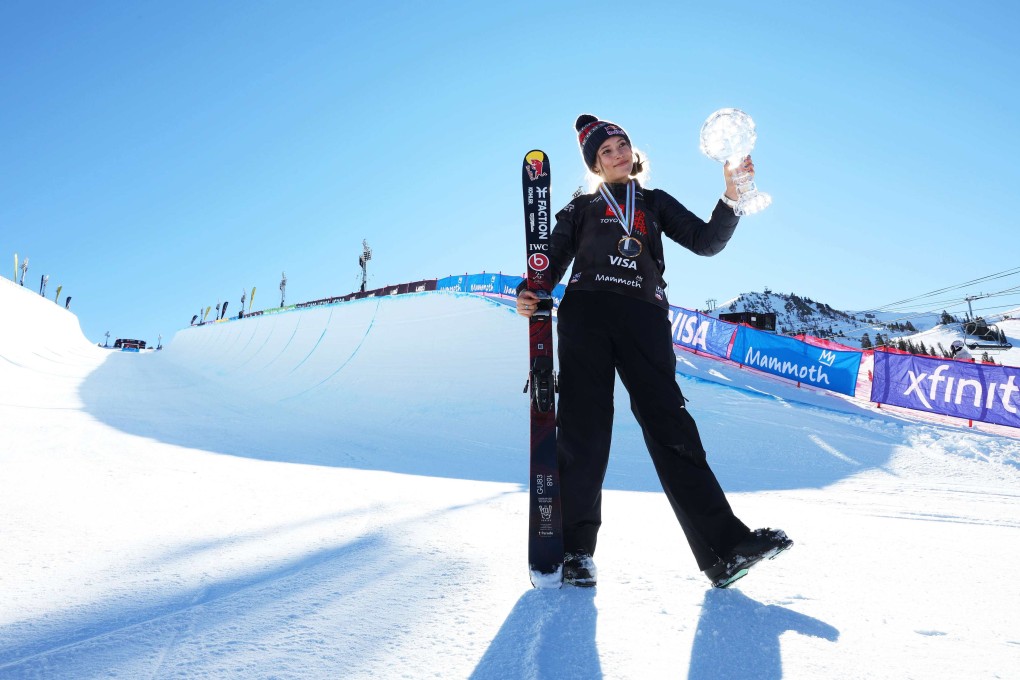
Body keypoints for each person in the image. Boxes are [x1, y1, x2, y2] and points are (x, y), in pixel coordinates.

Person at [517, 114, 792, 589]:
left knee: (672, 426)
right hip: (587, 314)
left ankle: (724, 550)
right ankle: (576, 552)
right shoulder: (581, 207)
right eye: (606, 152)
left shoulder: (654, 201)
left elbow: (706, 242)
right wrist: (531, 291)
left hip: (645, 316)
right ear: (595, 165)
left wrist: (731, 195)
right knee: (584, 432)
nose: (618, 154)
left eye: (622, 145)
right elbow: (550, 262)